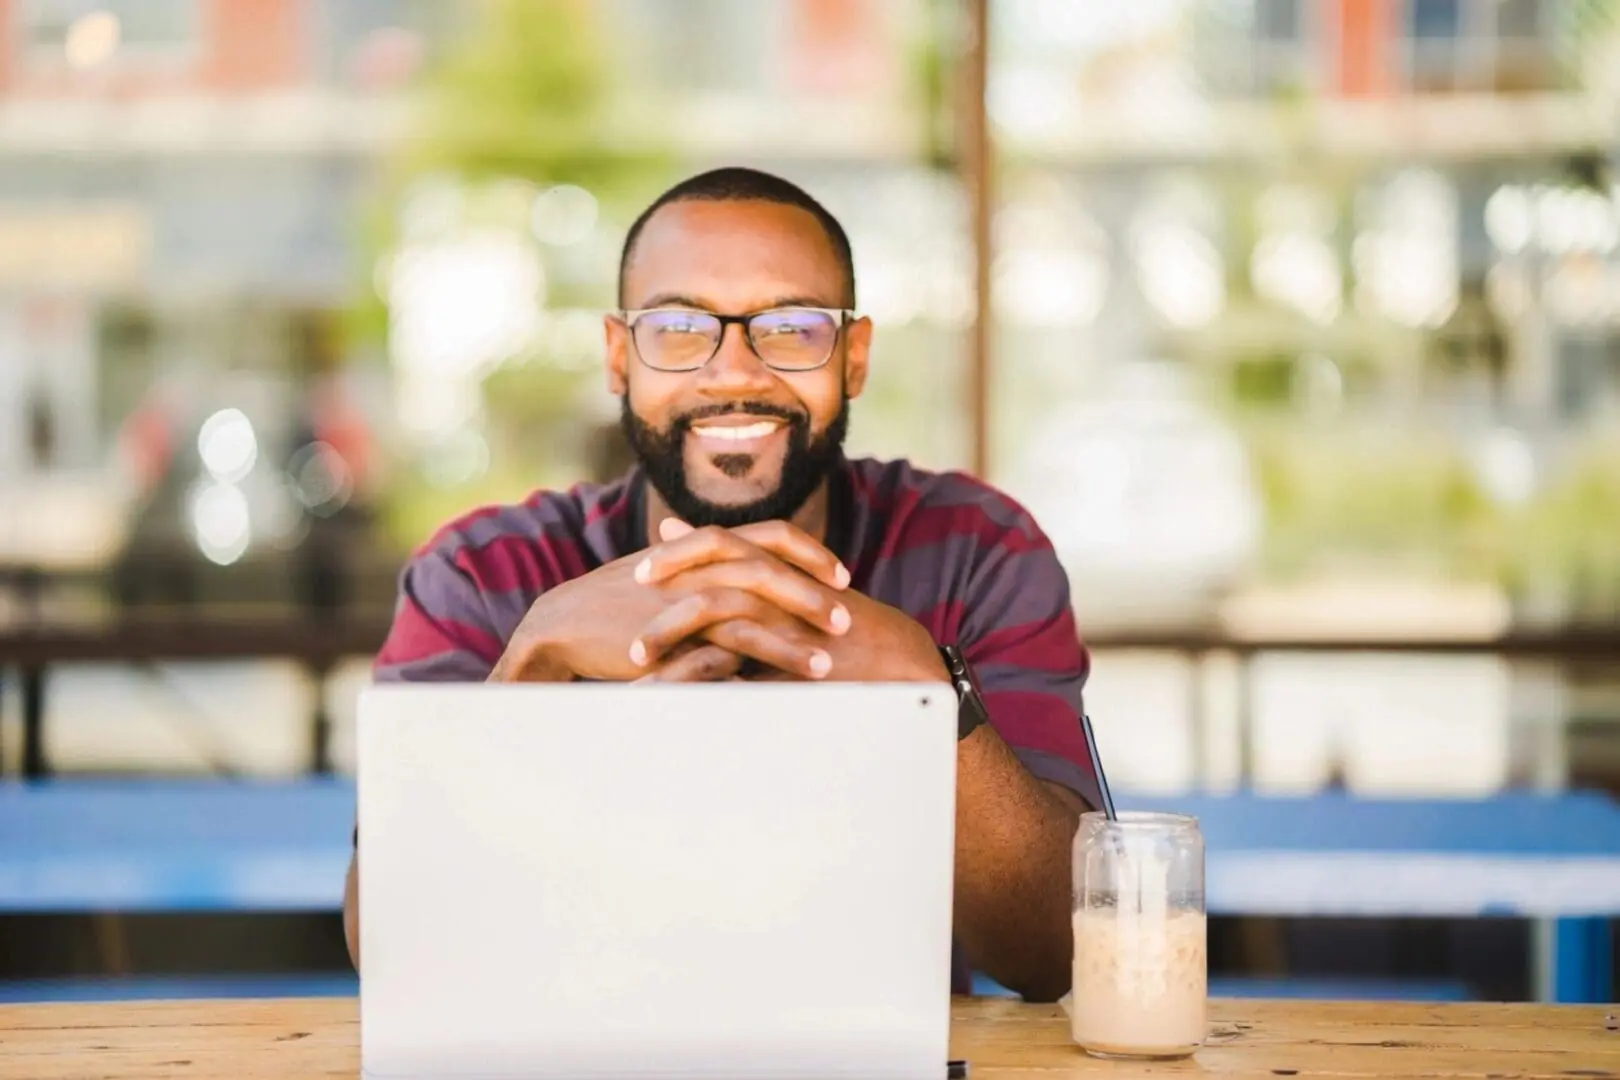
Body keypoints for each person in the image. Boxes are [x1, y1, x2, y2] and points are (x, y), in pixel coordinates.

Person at [345, 167, 1097, 1002]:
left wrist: (931, 689)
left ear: (853, 358)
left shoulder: (976, 551)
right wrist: (527, 673)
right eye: (676, 326)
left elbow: (1056, 954)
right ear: (616, 356)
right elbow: (388, 947)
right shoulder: (485, 574)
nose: (733, 372)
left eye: (791, 327)